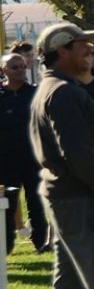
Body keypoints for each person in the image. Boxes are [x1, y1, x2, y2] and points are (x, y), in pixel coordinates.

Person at [29, 23, 94, 287]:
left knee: (70, 282)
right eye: (82, 44)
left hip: (71, 198)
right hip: (82, 199)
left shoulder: (53, 88)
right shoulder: (62, 92)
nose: (90, 49)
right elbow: (76, 154)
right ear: (62, 50)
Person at [1, 53, 48, 254]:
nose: (20, 70)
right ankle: (6, 245)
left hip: (33, 157)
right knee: (7, 205)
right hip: (6, 159)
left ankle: (41, 241)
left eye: (22, 66)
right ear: (3, 70)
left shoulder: (35, 93)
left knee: (36, 202)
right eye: (14, 67)